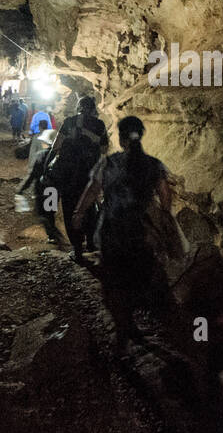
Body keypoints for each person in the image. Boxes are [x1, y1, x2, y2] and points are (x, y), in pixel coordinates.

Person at [72, 116, 174, 355]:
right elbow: (165, 195)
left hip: (113, 233)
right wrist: (164, 217)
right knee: (134, 280)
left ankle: (123, 331)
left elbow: (92, 191)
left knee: (114, 284)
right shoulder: (153, 164)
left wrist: (78, 214)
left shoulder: (109, 164)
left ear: (120, 137)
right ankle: (133, 326)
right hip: (141, 233)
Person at [45, 96, 108, 262]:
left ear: (78, 107)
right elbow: (104, 149)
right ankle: (92, 244)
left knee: (70, 208)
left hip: (69, 175)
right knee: (90, 207)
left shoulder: (70, 121)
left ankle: (78, 247)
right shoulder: (100, 125)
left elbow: (57, 145)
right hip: (89, 174)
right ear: (93, 108)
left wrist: (49, 165)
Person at [16, 119, 57, 198]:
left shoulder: (36, 137)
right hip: (49, 160)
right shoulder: (53, 135)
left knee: (33, 177)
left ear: (40, 127)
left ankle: (23, 191)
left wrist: (31, 163)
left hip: (39, 160)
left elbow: (32, 152)